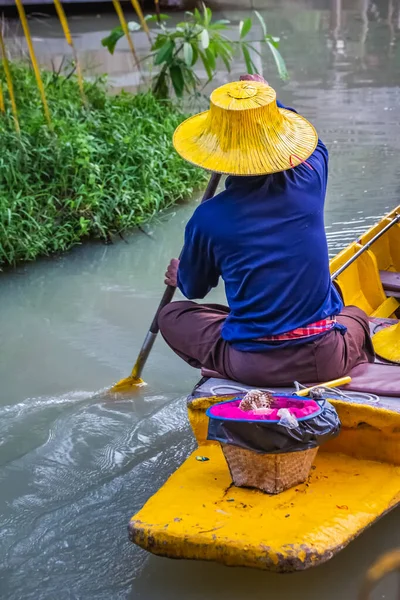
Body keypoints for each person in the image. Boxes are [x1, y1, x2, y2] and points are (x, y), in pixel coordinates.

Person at [158, 74, 374, 387]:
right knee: (355, 314)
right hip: (325, 359)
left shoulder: (208, 218)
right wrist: (269, 98)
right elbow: (314, 143)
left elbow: (194, 289)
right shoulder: (309, 179)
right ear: (279, 139)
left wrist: (181, 274)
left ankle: (227, 364)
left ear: (218, 151)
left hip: (252, 365)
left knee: (173, 315)